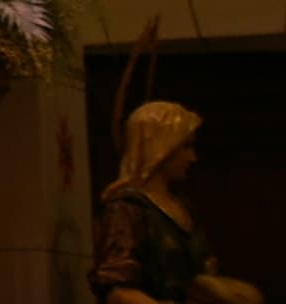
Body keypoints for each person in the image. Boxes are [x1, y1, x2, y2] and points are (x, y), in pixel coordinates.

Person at [95, 100, 262, 304]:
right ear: (161, 145)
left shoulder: (184, 208)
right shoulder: (128, 209)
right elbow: (118, 292)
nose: (192, 158)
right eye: (185, 146)